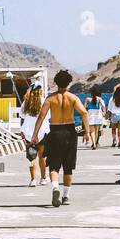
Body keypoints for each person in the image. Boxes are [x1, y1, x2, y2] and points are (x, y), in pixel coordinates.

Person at [29, 69, 86, 206]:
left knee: (54, 165)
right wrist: (88, 132)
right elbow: (84, 113)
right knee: (68, 166)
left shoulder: (50, 98)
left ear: (56, 82)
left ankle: (55, 188)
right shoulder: (73, 98)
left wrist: (35, 135)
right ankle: (65, 196)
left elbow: (41, 117)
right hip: (70, 132)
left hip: (55, 132)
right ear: (68, 82)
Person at [19, 81, 49, 186]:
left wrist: (21, 131)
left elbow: (22, 118)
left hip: (28, 132)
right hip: (41, 131)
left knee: (32, 156)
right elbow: (48, 117)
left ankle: (33, 180)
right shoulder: (44, 101)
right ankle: (43, 178)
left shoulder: (26, 102)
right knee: (42, 157)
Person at [107, 84, 120, 150]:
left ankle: (114, 141)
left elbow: (109, 109)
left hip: (114, 116)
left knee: (113, 129)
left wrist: (107, 115)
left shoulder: (112, 98)